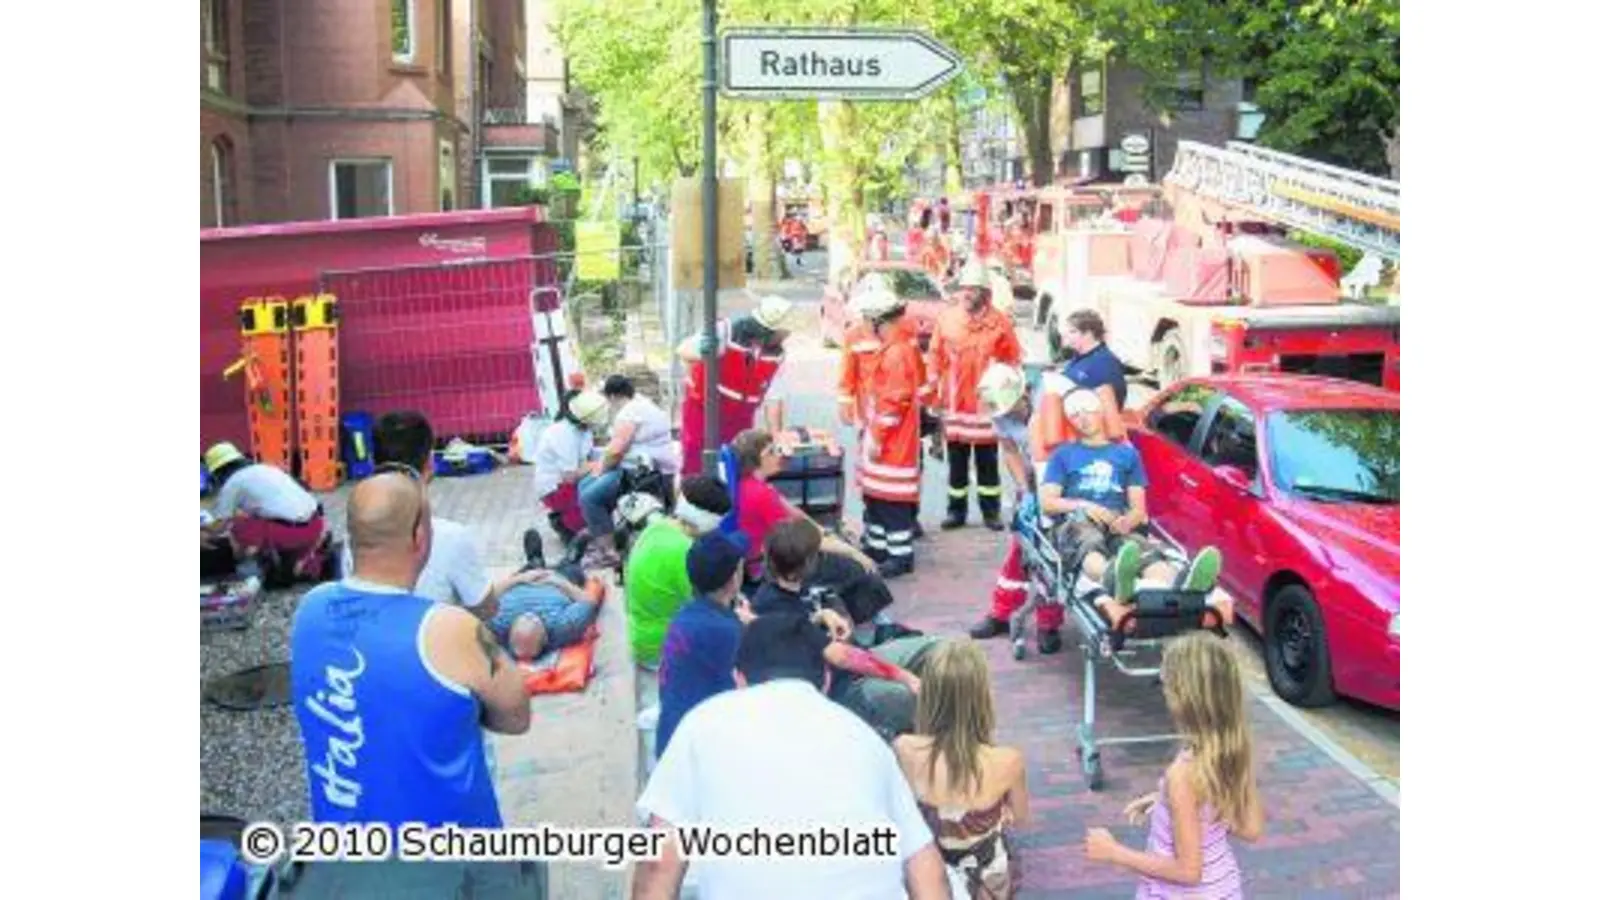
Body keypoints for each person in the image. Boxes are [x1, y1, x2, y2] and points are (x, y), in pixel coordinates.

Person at [634, 612, 952, 900]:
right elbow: (926, 867)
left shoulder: (702, 723)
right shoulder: (866, 738)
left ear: (739, 679)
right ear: (825, 680)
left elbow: (660, 864)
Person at [290, 471, 529, 827]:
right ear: (420, 537)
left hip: (344, 858)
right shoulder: (450, 629)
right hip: (451, 862)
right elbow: (516, 716)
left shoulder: (310, 608)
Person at [1084, 632, 1263, 898]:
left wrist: (1114, 852)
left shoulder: (1183, 775)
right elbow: (1250, 828)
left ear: (1184, 698)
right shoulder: (1233, 747)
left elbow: (1188, 871)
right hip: (1223, 888)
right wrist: (1165, 800)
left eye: (1166, 685)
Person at [342, 411, 551, 622]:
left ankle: (530, 573)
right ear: (430, 462)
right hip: (441, 639)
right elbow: (484, 610)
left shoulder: (355, 543)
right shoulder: (448, 537)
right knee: (533, 603)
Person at [1038, 390, 1222, 628]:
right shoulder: (1063, 455)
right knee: (1087, 540)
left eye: (1087, 409)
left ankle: (1182, 587)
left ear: (1101, 411)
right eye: (1074, 413)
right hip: (1077, 520)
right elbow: (1047, 502)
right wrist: (1084, 505)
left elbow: (1138, 509)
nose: (1082, 417)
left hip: (1118, 522)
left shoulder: (1127, 454)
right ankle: (1112, 578)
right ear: (1069, 420)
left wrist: (1128, 520)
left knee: (1140, 550)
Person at [755, 518, 933, 742]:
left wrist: (821, 615)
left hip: (852, 667)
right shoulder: (773, 606)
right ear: (807, 564)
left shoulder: (788, 590)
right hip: (841, 691)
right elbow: (842, 656)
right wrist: (904, 676)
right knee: (923, 699)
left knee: (934, 649)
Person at [895, 640, 1030, 899]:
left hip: (929, 875)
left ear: (929, 694)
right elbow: (1021, 819)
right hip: (986, 878)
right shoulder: (1008, 760)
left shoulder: (904, 749)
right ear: (982, 696)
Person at [966, 363, 1064, 654]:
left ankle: (1048, 624)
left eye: (1011, 411)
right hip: (1033, 482)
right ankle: (1001, 612)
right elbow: (1009, 450)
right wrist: (1024, 489)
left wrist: (1049, 493)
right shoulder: (1001, 411)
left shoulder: (1049, 402)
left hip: (1059, 481)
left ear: (1024, 396)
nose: (1008, 417)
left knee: (1051, 552)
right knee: (1020, 550)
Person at [929, 259, 1024, 532]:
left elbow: (1012, 361)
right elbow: (935, 354)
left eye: (972, 289)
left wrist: (1009, 396)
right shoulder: (947, 318)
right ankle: (955, 512)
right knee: (957, 462)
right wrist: (934, 387)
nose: (965, 294)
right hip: (955, 403)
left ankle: (990, 512)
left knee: (987, 462)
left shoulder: (1000, 324)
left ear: (986, 293)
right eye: (963, 288)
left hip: (986, 406)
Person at [723, 428, 878, 593]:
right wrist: (855, 554)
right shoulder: (760, 494)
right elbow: (798, 538)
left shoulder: (752, 485)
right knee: (852, 567)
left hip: (768, 557)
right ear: (759, 459)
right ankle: (871, 615)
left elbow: (793, 513)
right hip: (768, 566)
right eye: (772, 451)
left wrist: (824, 532)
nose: (780, 455)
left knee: (841, 552)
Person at [838, 273, 927, 541]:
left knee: (896, 480)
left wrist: (926, 408)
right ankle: (879, 529)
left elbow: (907, 385)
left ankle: (901, 525)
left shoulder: (899, 345)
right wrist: (846, 401)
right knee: (878, 480)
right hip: (874, 415)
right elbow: (848, 372)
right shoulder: (856, 335)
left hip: (889, 418)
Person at [654, 531, 755, 759]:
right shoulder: (726, 632)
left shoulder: (684, 616)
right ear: (734, 580)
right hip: (696, 756)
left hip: (671, 739)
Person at [676, 295, 797, 477]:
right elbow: (684, 350)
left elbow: (774, 398)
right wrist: (703, 350)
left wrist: (776, 435)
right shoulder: (726, 331)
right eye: (784, 333)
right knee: (695, 466)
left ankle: (729, 503)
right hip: (703, 411)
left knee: (736, 469)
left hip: (740, 418)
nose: (786, 336)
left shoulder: (776, 355)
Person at [622, 475, 733, 670]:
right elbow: (706, 609)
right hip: (661, 650)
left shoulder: (657, 528)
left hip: (640, 634)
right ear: (709, 521)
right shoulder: (687, 553)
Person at [578, 376, 680, 568]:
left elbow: (616, 451)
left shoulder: (629, 413)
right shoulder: (643, 404)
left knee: (589, 498)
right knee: (585, 484)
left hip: (641, 473)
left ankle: (608, 552)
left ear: (614, 396)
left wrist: (601, 469)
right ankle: (602, 535)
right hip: (650, 467)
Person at [202, 441, 329, 583]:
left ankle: (253, 561)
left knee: (238, 526)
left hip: (290, 533)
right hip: (316, 524)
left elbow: (220, 527)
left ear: (218, 472)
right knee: (290, 569)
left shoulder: (233, 483)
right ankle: (307, 561)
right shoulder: (266, 468)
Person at [532, 390, 611, 544]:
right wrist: (599, 463)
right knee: (587, 531)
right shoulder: (562, 433)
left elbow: (589, 454)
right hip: (555, 486)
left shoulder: (583, 429)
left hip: (571, 480)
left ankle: (567, 520)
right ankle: (563, 522)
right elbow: (570, 476)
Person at [489, 564, 605, 662]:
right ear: (546, 640)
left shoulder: (497, 623)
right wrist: (559, 582)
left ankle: (535, 561)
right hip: (555, 582)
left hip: (524, 581)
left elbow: (486, 595)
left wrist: (519, 579)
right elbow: (590, 602)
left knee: (531, 568)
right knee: (573, 569)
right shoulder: (564, 628)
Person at [1058, 309, 1128, 440]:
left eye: (1073, 332)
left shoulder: (1105, 363)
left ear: (1088, 334)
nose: (1066, 336)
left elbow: (1111, 403)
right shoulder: (1080, 356)